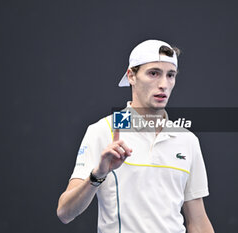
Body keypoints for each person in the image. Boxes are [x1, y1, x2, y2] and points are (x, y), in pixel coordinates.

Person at [57, 39, 214, 233]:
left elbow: (198, 223)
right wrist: (98, 175)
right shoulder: (102, 130)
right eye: (154, 73)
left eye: (170, 75)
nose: (164, 84)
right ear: (131, 75)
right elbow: (65, 212)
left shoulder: (187, 140)